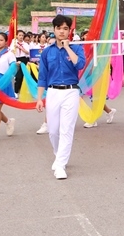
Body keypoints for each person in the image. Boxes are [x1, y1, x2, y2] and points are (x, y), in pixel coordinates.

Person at [35, 15, 86, 180]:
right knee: (53, 130)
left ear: (69, 31)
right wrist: (39, 99)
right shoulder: (47, 52)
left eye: (65, 28)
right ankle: (59, 155)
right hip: (53, 91)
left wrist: (68, 48)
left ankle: (61, 165)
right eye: (59, 28)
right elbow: (42, 76)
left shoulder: (77, 49)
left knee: (66, 129)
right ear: (54, 30)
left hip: (71, 91)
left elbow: (80, 65)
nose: (62, 31)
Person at [11, 30, 31, 97]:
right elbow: (11, 50)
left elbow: (27, 52)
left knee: (21, 75)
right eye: (19, 35)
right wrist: (14, 49)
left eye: (22, 35)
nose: (21, 37)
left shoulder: (25, 44)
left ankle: (18, 91)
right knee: (17, 76)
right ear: (16, 35)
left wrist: (20, 47)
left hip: (23, 59)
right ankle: (16, 91)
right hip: (16, 59)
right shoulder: (14, 42)